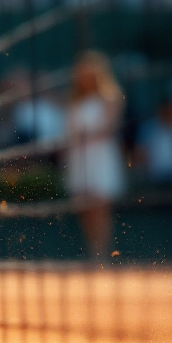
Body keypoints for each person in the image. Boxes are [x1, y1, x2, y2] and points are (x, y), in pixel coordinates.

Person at [63, 51, 126, 258]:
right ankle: (92, 252)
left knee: (100, 207)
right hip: (80, 157)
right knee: (85, 207)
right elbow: (69, 131)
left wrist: (85, 135)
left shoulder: (110, 97)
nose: (86, 79)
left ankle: (102, 253)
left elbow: (109, 125)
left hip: (100, 157)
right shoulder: (74, 100)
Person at [135, 98, 172, 184]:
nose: (169, 113)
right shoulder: (148, 128)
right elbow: (140, 153)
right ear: (160, 111)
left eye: (171, 111)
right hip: (155, 175)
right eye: (166, 111)